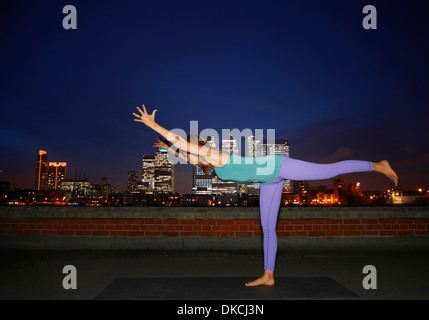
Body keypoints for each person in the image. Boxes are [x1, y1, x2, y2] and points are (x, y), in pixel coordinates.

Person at [133, 105, 399, 287]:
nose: (190, 157)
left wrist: (154, 125)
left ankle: (377, 165)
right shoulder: (208, 162)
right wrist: (167, 148)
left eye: (193, 151)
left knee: (327, 171)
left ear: (200, 148)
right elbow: (186, 155)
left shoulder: (213, 154)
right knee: (267, 228)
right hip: (269, 182)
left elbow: (185, 147)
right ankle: (268, 275)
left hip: (277, 166)